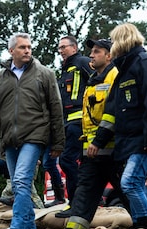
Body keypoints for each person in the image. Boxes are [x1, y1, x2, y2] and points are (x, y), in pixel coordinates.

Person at [0, 32, 65, 229]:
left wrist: (58, 144)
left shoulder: (44, 74)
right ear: (11, 51)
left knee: (22, 181)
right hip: (9, 139)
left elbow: (56, 108)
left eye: (29, 47)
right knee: (17, 185)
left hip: (35, 135)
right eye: (22, 47)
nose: (27, 50)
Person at [45, 38, 124, 229]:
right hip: (92, 150)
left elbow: (112, 112)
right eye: (92, 52)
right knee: (85, 193)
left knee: (127, 193)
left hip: (112, 151)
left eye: (97, 52)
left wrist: (98, 141)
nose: (92, 56)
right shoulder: (92, 80)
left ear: (109, 55)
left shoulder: (113, 76)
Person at [101, 23, 147, 229]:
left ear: (122, 40)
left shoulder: (145, 64)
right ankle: (141, 226)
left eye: (113, 41)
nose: (112, 46)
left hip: (144, 139)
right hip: (132, 139)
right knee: (135, 183)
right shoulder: (126, 68)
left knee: (129, 182)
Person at [54, 35, 94, 218]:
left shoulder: (83, 62)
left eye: (64, 47)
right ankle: (86, 200)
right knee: (81, 163)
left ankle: (76, 202)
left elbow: (98, 81)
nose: (60, 51)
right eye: (59, 48)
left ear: (74, 48)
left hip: (80, 121)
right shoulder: (66, 69)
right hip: (67, 122)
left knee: (67, 161)